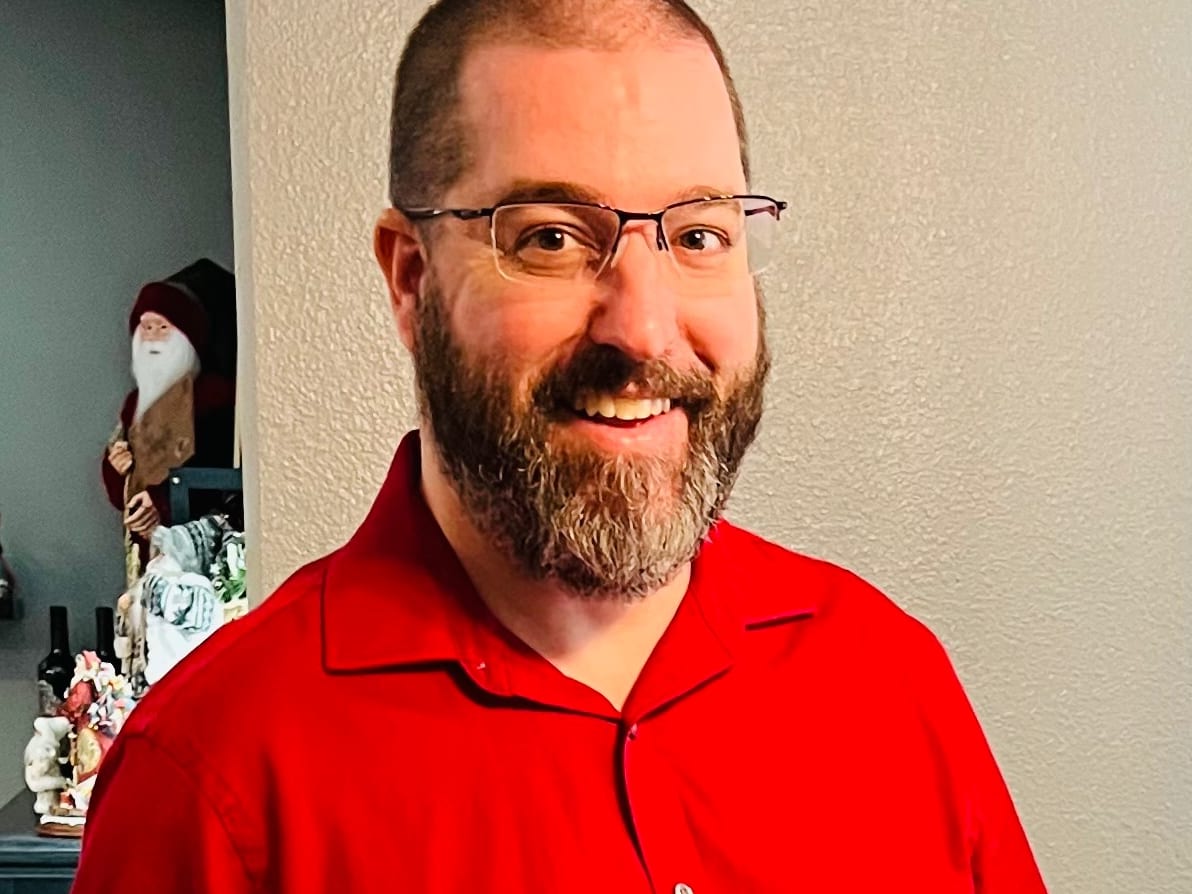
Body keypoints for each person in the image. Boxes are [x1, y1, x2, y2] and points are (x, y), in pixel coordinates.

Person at [73, 1, 1047, 891]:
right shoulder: (210, 779)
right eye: (550, 238)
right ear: (411, 280)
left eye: (698, 236)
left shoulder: (887, 680)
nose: (645, 329)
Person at [100, 262, 236, 576]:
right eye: (146, 328)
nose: (153, 338)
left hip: (198, 548)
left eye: (163, 328)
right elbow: (122, 490)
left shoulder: (214, 397)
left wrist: (161, 502)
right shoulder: (135, 406)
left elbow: (214, 470)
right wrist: (118, 469)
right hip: (147, 555)